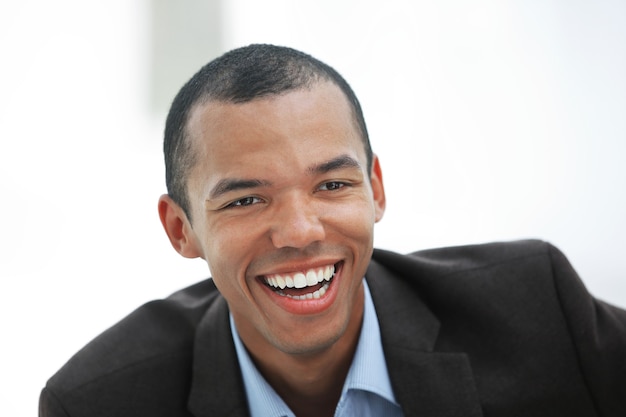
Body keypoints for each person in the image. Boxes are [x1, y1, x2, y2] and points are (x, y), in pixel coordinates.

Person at [40, 44, 626, 417]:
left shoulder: (539, 311)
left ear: (377, 188)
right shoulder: (98, 403)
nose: (298, 231)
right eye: (246, 199)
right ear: (181, 228)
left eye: (332, 186)